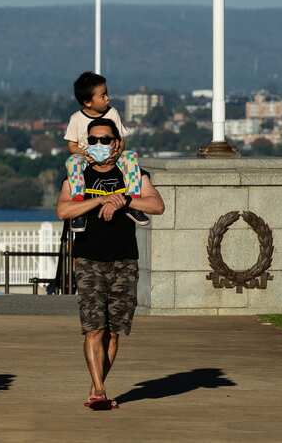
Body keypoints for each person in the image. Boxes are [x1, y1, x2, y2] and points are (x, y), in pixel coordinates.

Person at [55, 117, 164, 410]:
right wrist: (100, 201)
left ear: (116, 143)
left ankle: (96, 387)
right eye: (93, 140)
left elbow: (157, 205)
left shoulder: (133, 174)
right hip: (89, 260)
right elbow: (63, 210)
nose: (99, 145)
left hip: (124, 260)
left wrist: (124, 201)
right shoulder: (77, 175)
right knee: (94, 328)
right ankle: (100, 392)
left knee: (113, 332)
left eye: (105, 139)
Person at [64, 71, 149, 231]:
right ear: (88, 102)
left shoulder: (112, 113)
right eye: (102, 96)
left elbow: (121, 139)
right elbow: (72, 145)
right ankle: (79, 207)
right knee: (72, 162)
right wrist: (85, 155)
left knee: (131, 157)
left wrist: (117, 153)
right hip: (88, 159)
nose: (107, 98)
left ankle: (134, 202)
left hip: (112, 158)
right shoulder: (76, 118)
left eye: (107, 94)